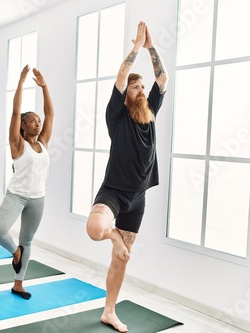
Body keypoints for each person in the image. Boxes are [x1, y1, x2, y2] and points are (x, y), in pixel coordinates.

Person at [85, 21, 169, 333]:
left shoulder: (150, 113)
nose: (141, 90)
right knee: (96, 229)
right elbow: (121, 77)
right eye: (136, 88)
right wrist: (136, 47)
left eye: (142, 87)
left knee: (121, 259)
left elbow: (163, 78)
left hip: (138, 199)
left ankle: (109, 311)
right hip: (114, 192)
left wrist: (152, 47)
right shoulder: (117, 115)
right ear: (125, 95)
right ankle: (115, 234)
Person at [0, 65, 54, 300]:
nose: (37, 123)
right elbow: (15, 112)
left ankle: (19, 284)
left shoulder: (44, 142)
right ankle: (15, 252)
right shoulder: (17, 143)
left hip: (38, 198)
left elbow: (51, 115)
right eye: (32, 121)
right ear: (23, 126)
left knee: (27, 240)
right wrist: (21, 81)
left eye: (38, 121)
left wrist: (44, 87)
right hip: (16, 195)